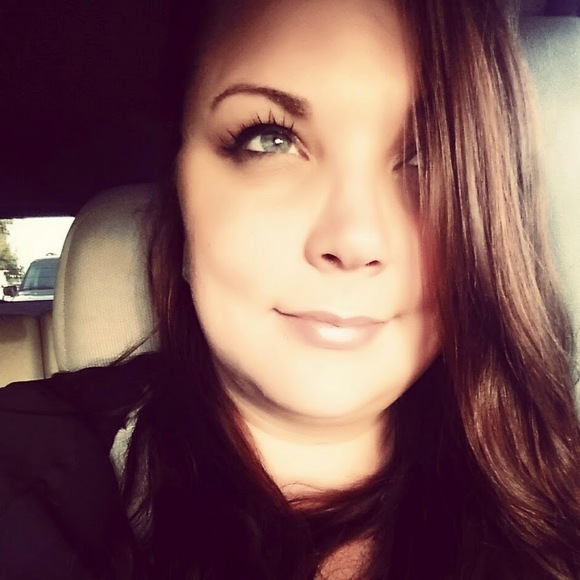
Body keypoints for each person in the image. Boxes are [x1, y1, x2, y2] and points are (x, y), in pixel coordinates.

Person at [0, 0, 579, 578]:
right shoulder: (29, 472)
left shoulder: (556, 482)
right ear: (181, 195)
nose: (354, 240)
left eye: (429, 156)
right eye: (270, 139)